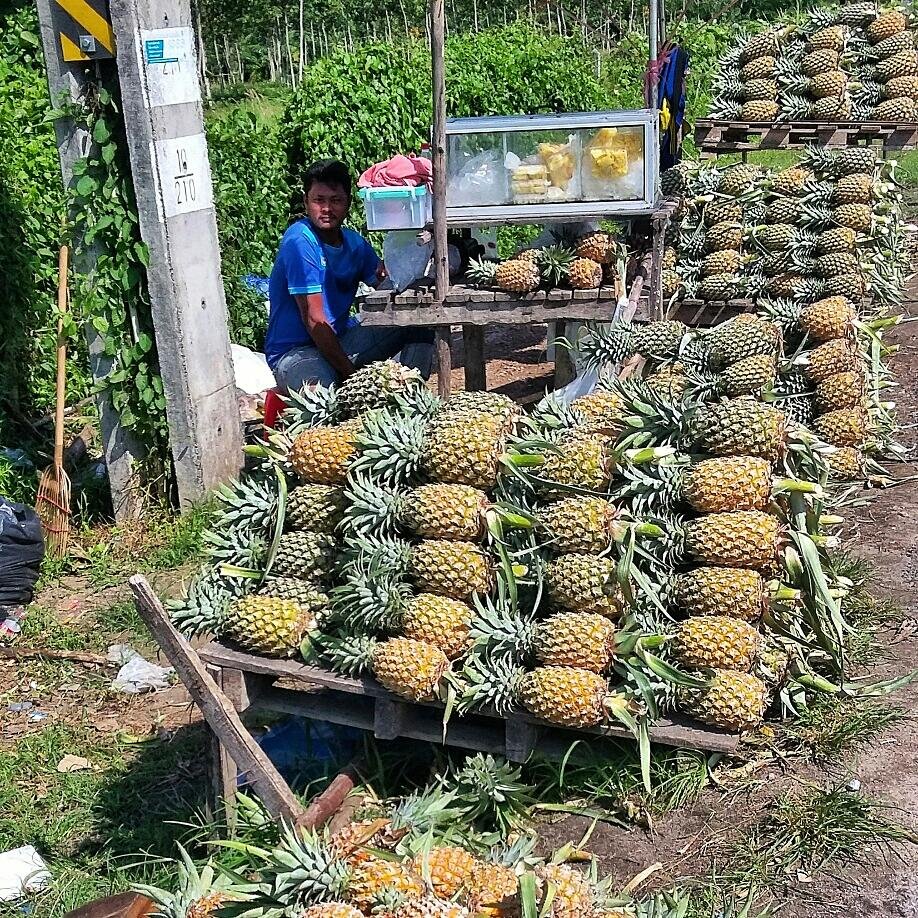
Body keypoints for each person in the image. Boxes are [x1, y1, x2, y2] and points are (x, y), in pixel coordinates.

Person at [266, 159, 434, 393]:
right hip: (296, 354)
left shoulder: (354, 244)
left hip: (341, 342)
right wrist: (351, 376)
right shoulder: (300, 242)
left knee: (420, 322)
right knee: (323, 397)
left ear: (348, 203)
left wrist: (399, 265)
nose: (327, 209)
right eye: (319, 200)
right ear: (306, 202)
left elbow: (385, 283)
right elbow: (314, 320)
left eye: (335, 200)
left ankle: (410, 395)